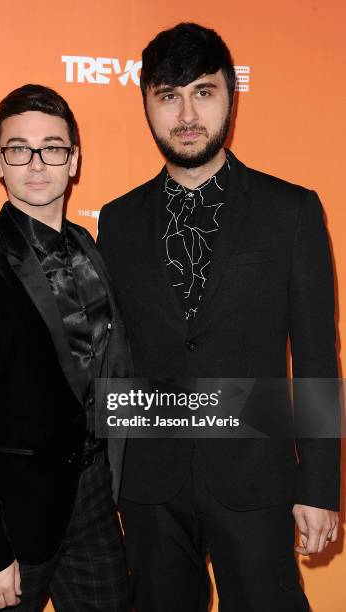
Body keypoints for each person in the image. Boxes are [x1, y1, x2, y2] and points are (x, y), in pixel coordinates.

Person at [97, 23, 340, 612]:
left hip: (256, 477)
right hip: (151, 484)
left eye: (203, 92)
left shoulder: (292, 210)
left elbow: (314, 355)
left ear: (231, 96)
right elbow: (112, 359)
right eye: (168, 95)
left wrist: (319, 485)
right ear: (147, 105)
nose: (186, 113)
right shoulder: (118, 220)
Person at [0, 84, 131, 611]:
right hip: (12, 515)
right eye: (19, 149)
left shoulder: (91, 249)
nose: (36, 164)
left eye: (53, 148)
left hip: (92, 498)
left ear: (75, 159)